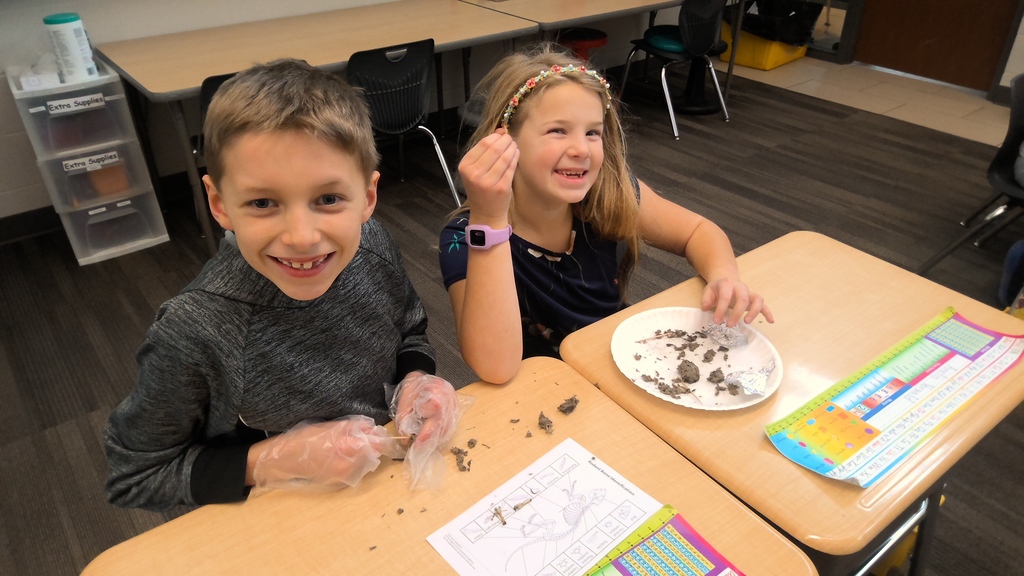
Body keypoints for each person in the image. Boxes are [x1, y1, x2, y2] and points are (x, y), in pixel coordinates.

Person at [105, 59, 457, 511]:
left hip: (392, 489)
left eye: (328, 199)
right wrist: (272, 460)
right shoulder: (195, 332)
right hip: (286, 517)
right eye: (263, 202)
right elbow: (134, 474)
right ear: (220, 203)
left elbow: (408, 326)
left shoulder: (371, 246)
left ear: (367, 198)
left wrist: (416, 376)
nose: (302, 236)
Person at [439, 46, 773, 384]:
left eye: (592, 132)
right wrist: (490, 218)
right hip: (546, 393)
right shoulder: (466, 237)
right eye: (558, 130)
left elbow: (697, 231)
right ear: (504, 139)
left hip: (622, 364)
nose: (581, 149)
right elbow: (495, 367)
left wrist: (723, 276)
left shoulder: (607, 194)